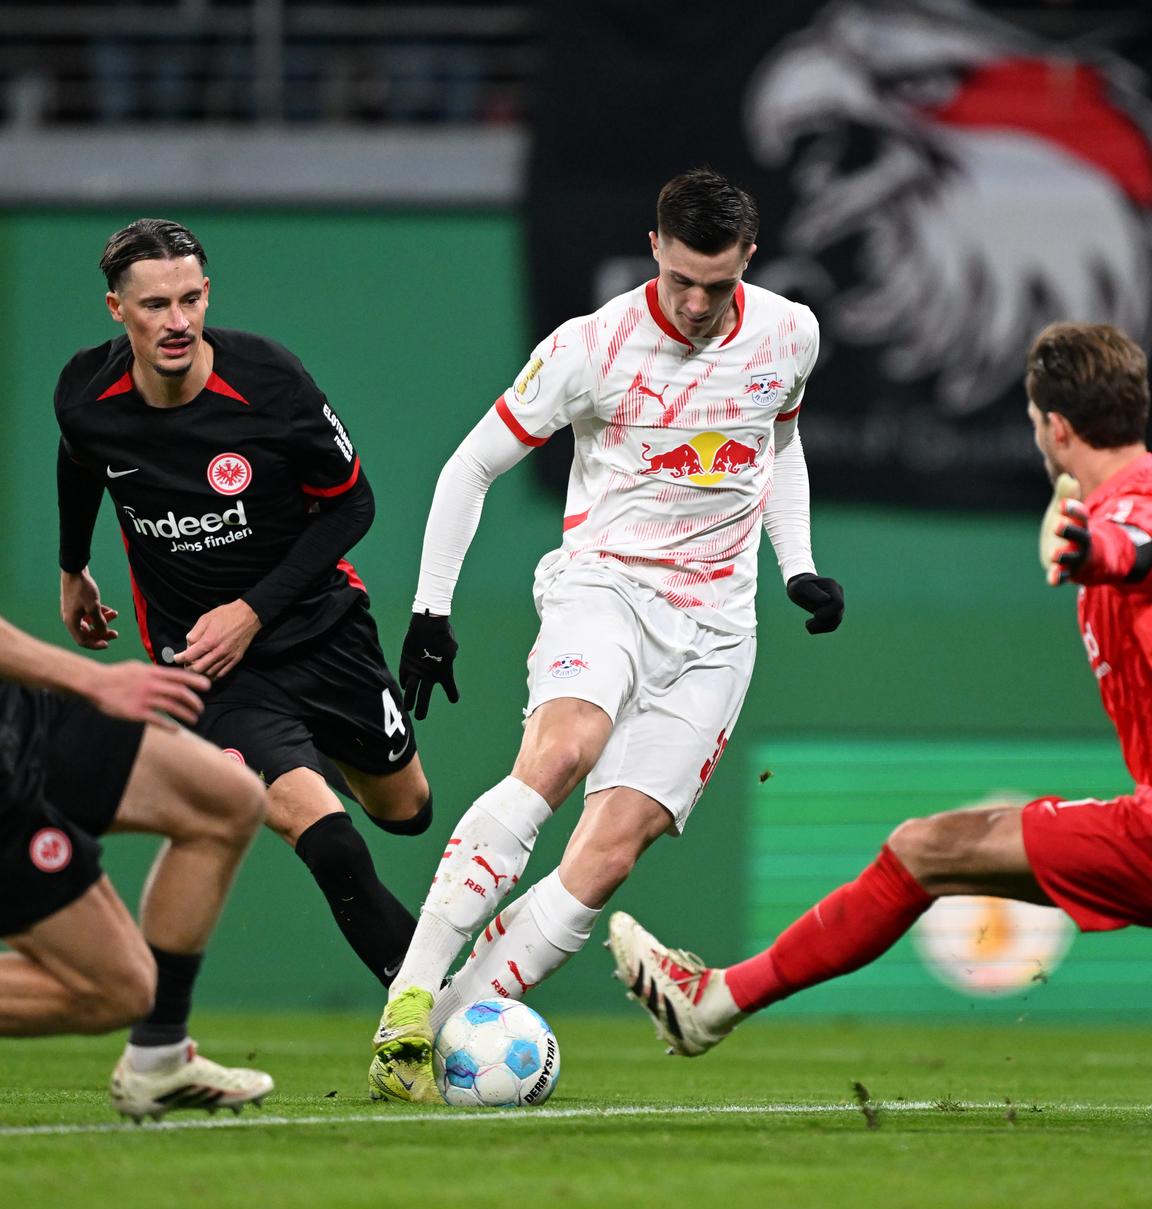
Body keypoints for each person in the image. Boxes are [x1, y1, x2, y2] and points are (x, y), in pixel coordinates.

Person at [371, 167, 846, 1101]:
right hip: (606, 589)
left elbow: (776, 446)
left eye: (719, 284)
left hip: (716, 630)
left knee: (609, 856)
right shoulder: (591, 347)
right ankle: (410, 996)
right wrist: (431, 609)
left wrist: (796, 563)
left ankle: (436, 1048)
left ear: (750, 258)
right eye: (682, 281)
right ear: (655, 249)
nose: (701, 305)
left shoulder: (792, 333)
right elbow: (469, 468)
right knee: (563, 751)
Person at [608, 321, 1152, 1058]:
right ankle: (716, 1003)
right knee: (930, 850)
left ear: (1055, 428)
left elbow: (1134, 548)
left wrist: (1103, 552)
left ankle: (715, 1004)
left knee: (922, 849)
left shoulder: (1124, 512)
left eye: (1032, 421)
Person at [54, 219, 431, 1101]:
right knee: (328, 841)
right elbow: (81, 462)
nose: (177, 319)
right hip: (208, 668)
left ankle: (317, 745)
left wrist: (254, 609)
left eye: (190, 298)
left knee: (403, 810)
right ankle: (437, 1015)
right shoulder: (85, 392)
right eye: (155, 305)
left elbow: (352, 505)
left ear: (207, 296)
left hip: (322, 630)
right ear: (120, 311)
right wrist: (75, 565)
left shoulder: (269, 380)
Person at [0, 612, 271, 1118]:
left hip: (16, 705)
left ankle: (159, 1058)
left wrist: (72, 569)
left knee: (225, 800)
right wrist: (95, 678)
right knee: (117, 991)